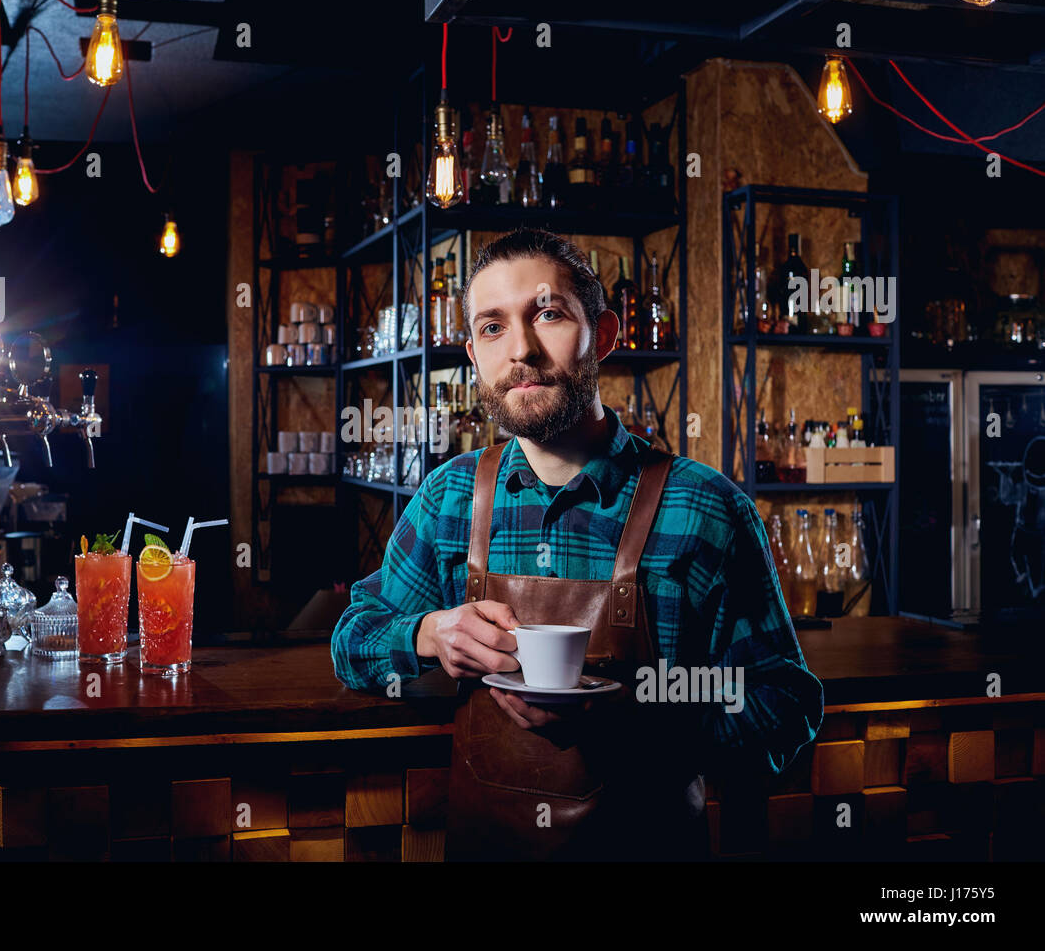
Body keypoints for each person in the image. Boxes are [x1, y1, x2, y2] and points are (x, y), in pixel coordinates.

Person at [331, 228, 823, 860]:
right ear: (473, 356)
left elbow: (784, 704)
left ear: (607, 335)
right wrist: (429, 634)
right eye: (492, 328)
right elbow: (353, 638)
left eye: (548, 314)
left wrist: (642, 712)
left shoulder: (707, 509)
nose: (522, 351)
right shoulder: (447, 499)